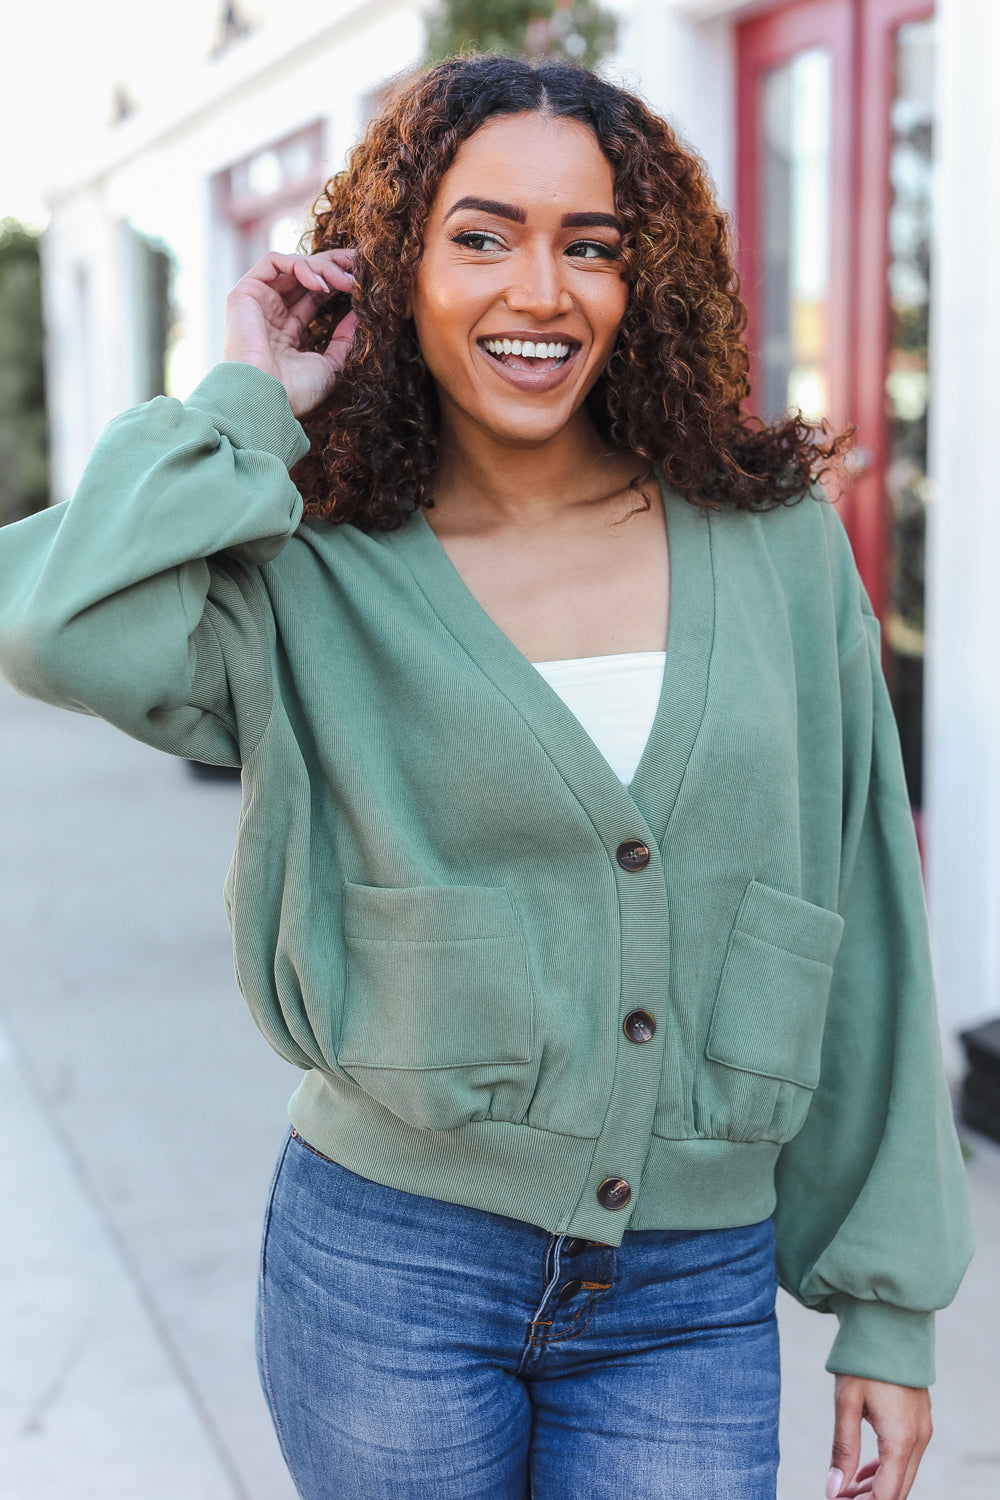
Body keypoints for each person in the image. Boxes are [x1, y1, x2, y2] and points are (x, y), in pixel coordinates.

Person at [0, 53, 973, 1500]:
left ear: (646, 281)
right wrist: (248, 401)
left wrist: (886, 1306)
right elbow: (50, 620)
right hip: (389, 1266)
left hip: (689, 1289)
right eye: (482, 236)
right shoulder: (308, 558)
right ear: (393, 269)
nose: (541, 291)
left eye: (590, 246)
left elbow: (867, 915)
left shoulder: (772, 543)